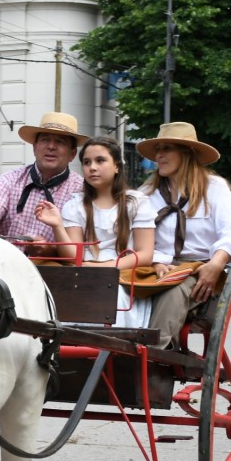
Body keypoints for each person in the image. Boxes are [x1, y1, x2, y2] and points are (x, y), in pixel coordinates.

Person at [136, 122, 231, 348]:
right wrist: (155, 261)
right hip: (155, 267)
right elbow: (132, 237)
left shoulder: (215, 188)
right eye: (158, 150)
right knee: (116, 289)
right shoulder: (146, 193)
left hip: (201, 268)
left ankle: (153, 355)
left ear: (187, 153)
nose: (159, 156)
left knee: (173, 292)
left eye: (167, 149)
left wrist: (216, 264)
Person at [34, 135, 156, 327]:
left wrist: (105, 269)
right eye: (86, 162)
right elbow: (74, 256)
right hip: (83, 275)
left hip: (121, 277)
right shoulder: (75, 205)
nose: (92, 167)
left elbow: (145, 254)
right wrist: (57, 226)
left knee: (109, 300)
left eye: (100, 161)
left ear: (116, 166)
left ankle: (110, 352)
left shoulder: (136, 202)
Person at [0, 111, 86, 247]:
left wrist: (49, 250)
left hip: (55, 267)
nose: (51, 147)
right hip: (4, 264)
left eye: (60, 142)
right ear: (34, 147)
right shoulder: (10, 180)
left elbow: (79, 247)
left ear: (72, 154)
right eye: (45, 140)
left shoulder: (80, 190)